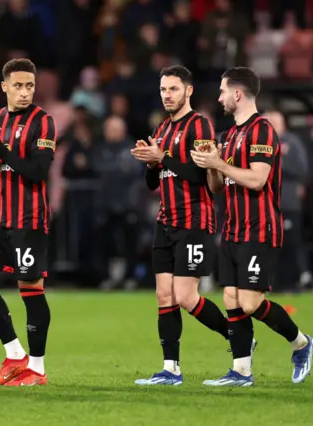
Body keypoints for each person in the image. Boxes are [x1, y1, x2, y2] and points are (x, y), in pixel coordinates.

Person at [191, 66, 313, 386]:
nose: (218, 98)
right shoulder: (228, 134)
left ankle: (301, 343)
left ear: (238, 93)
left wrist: (219, 163)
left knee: (250, 302)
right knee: (231, 299)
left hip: (259, 227)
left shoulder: (262, 130)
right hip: (232, 228)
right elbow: (219, 187)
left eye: (222, 91)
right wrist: (210, 163)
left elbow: (258, 180)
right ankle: (241, 371)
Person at [130, 65, 233, 386]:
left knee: (187, 297)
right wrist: (151, 163)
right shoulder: (161, 129)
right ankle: (170, 369)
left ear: (188, 90)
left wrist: (162, 157)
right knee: (164, 296)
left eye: (173, 89)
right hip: (166, 222)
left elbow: (199, 173)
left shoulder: (200, 126)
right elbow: (155, 181)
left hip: (194, 221)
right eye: (163, 90)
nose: (167, 95)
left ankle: (237, 336)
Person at [0, 58, 56, 387]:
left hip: (28, 220)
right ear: (4, 86)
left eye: (29, 86)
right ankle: (15, 355)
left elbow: (37, 171)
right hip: (0, 218)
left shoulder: (43, 122)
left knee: (30, 289)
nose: (24, 92)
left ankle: (38, 367)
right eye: (18, 86)